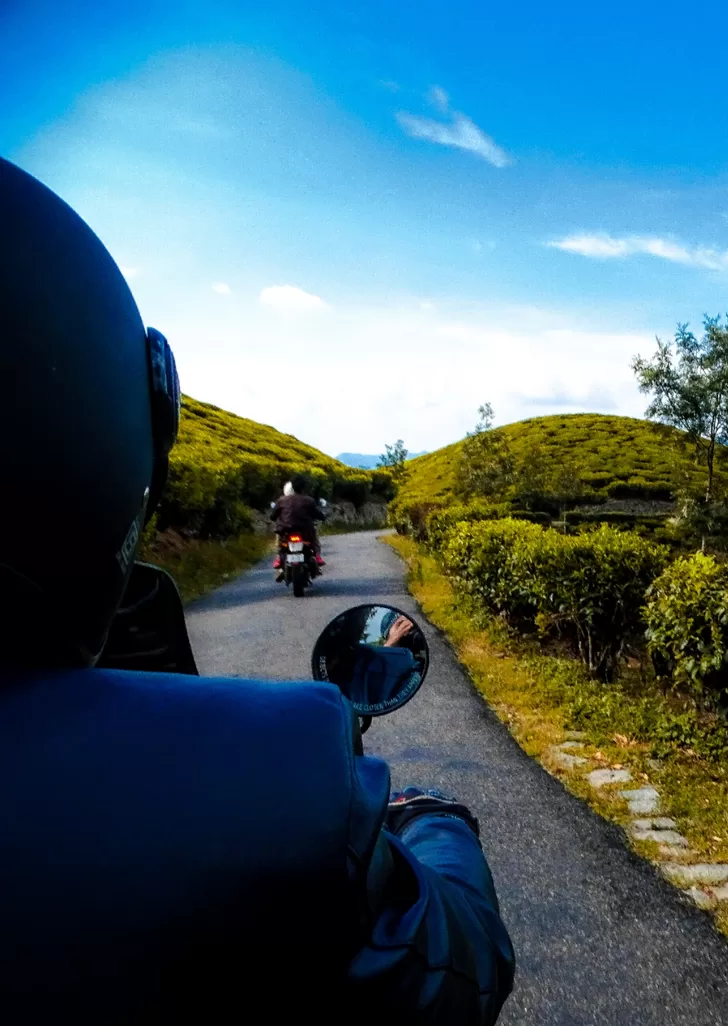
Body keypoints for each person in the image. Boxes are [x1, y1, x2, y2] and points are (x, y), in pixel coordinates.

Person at [0, 156, 515, 1022]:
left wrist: (296, 535)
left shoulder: (293, 505)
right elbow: (459, 967)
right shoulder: (274, 782)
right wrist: (437, 817)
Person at [270, 477, 328, 578]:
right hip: (305, 531)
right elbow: (317, 514)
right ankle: (317, 556)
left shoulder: (282, 500)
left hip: (285, 530)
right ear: (304, 488)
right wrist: (323, 517)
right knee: (314, 539)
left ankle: (279, 558)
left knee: (279, 541)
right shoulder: (309, 500)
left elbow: (273, 516)